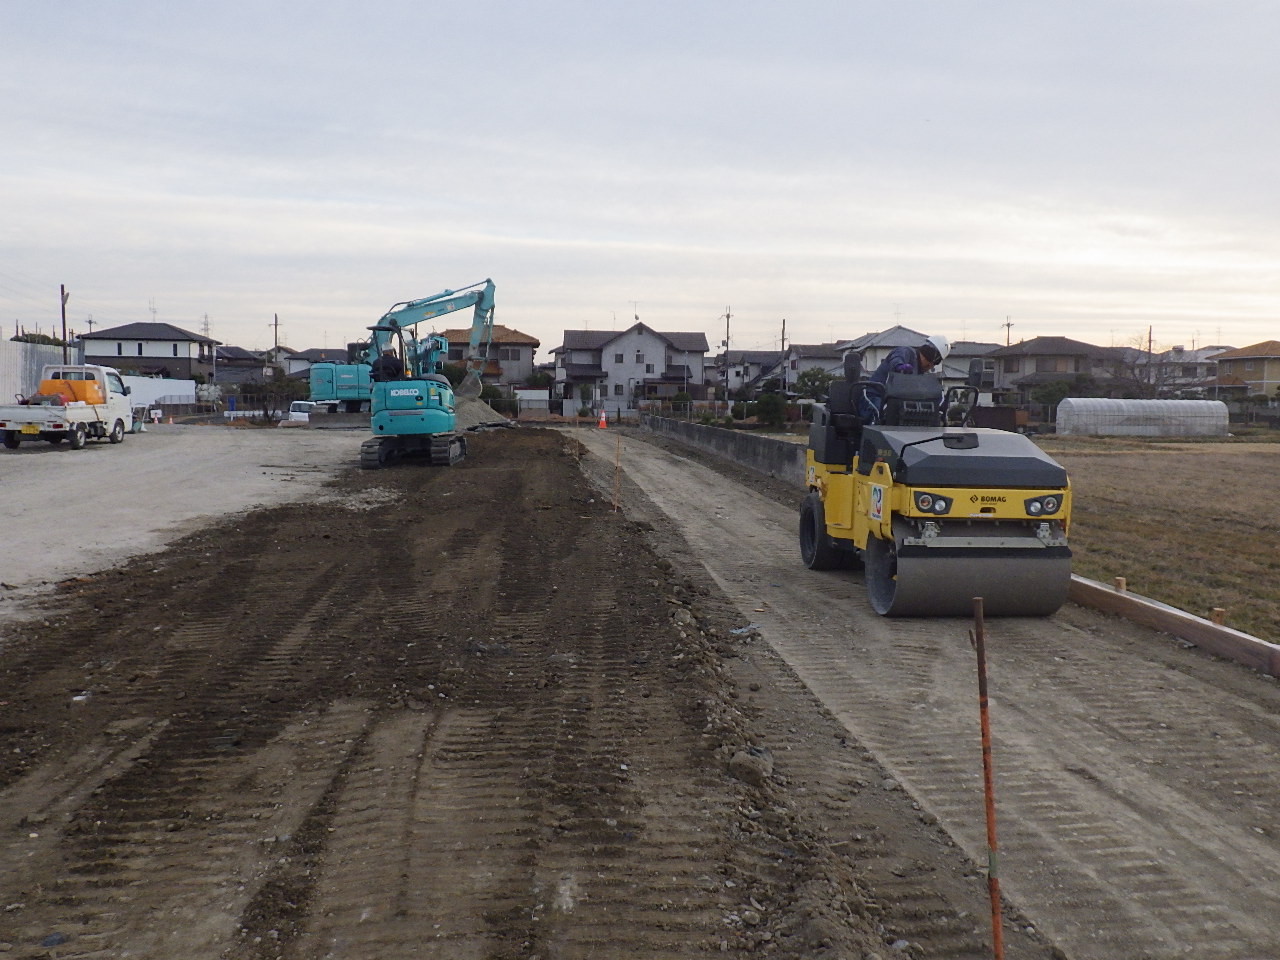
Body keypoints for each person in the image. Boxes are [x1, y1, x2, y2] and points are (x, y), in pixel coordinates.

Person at [860, 335, 950, 422]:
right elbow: (896, 359)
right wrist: (900, 366)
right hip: (874, 396)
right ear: (933, 358)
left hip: (894, 403)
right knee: (880, 417)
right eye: (935, 362)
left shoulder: (920, 374)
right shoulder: (906, 351)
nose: (932, 367)